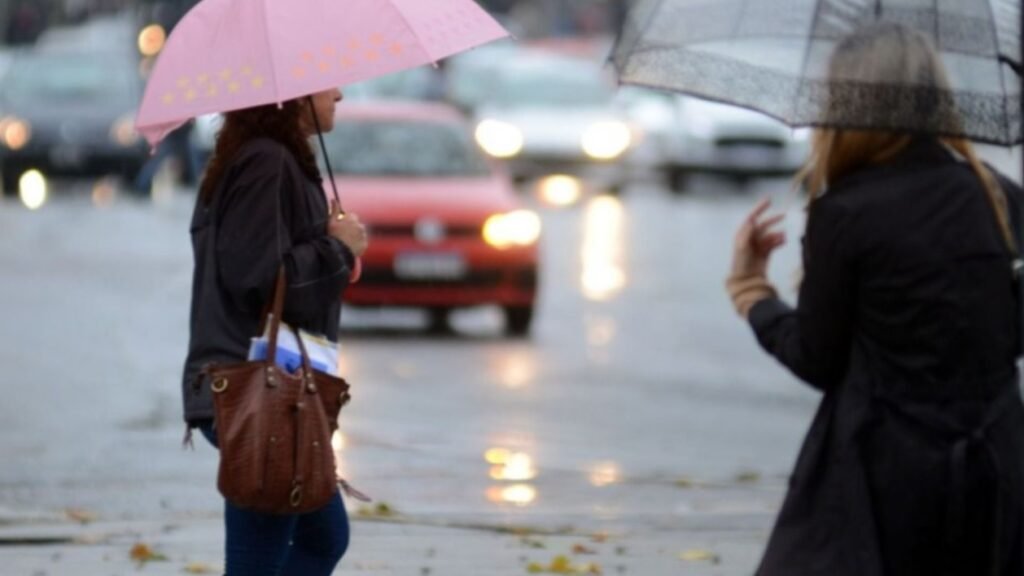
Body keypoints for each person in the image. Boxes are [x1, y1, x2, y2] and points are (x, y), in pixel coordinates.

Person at [726, 23, 1024, 576]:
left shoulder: (846, 212)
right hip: (997, 475)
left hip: (886, 482)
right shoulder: (999, 196)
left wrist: (753, 294)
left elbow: (817, 358)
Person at [180, 87, 368, 576]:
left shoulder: (270, 158)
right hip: (257, 391)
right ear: (294, 96)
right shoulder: (267, 162)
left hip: (267, 389)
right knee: (273, 556)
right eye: (327, 84)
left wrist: (329, 240)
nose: (339, 93)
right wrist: (338, 248)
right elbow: (258, 277)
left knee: (321, 537)